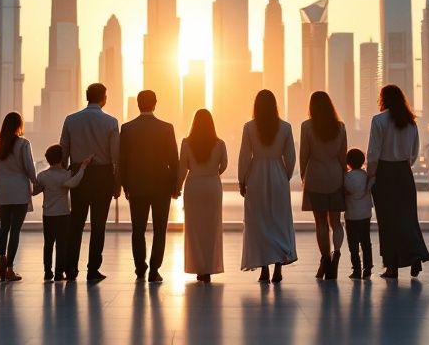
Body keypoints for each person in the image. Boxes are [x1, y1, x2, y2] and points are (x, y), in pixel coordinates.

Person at [367, 85, 429, 279]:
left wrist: (370, 177)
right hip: (404, 173)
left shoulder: (378, 120)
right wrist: (403, 164)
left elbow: (373, 153)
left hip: (384, 173)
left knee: (387, 221)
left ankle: (392, 266)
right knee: (408, 219)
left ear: (383, 99)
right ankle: (415, 255)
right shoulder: (411, 122)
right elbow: (414, 153)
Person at [60, 83, 121, 282]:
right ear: (103, 98)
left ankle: (70, 268)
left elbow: (63, 151)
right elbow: (116, 157)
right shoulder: (111, 122)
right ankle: (93, 269)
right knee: (98, 225)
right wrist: (117, 182)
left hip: (78, 174)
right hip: (103, 176)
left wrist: (65, 176)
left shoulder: (71, 120)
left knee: (76, 223)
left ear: (87, 97)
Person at [119, 90, 180, 284]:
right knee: (160, 230)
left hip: (136, 185)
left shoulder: (127, 128)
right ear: (155, 104)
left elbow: (122, 160)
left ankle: (140, 267)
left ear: (138, 104)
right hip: (162, 186)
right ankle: (154, 270)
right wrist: (175, 185)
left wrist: (125, 185)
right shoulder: (166, 128)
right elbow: (174, 160)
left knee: (138, 229)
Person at [239, 89, 298, 283]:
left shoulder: (249, 127)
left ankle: (264, 268)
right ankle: (278, 267)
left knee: (259, 222)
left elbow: (244, 156)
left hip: (256, 176)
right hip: (278, 174)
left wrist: (242, 179)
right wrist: (284, 176)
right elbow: (291, 158)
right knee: (279, 221)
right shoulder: (285, 128)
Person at [299, 91, 348, 280]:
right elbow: (343, 157)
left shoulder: (307, 127)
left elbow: (304, 155)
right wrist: (344, 178)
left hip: (315, 177)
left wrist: (303, 176)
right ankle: (337, 254)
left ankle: (325, 259)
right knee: (336, 222)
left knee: (320, 223)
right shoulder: (340, 127)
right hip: (335, 176)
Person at [176, 109, 228, 283]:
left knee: (195, 229)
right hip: (212, 186)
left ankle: (198, 267)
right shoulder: (220, 144)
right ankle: (209, 267)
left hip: (194, 186)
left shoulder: (186, 143)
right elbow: (224, 165)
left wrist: (177, 188)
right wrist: (213, 172)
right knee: (212, 228)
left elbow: (182, 168)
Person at [0, 112, 37, 282]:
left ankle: (2, 257)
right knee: (15, 230)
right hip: (19, 192)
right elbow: (29, 167)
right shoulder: (23, 144)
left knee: (4, 227)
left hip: (2, 191)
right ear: (19, 125)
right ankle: (9, 268)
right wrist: (36, 182)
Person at [33, 145, 90, 281]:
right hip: (63, 214)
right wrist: (83, 167)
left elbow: (34, 191)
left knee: (48, 244)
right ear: (61, 158)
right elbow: (75, 182)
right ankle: (59, 272)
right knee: (61, 244)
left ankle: (47, 271)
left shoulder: (42, 176)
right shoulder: (66, 175)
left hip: (48, 215)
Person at [343, 149, 373, 279]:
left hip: (351, 216)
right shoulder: (366, 176)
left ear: (348, 162)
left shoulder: (346, 177)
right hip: (365, 215)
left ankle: (356, 270)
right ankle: (367, 268)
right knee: (366, 243)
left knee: (353, 246)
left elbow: (346, 190)